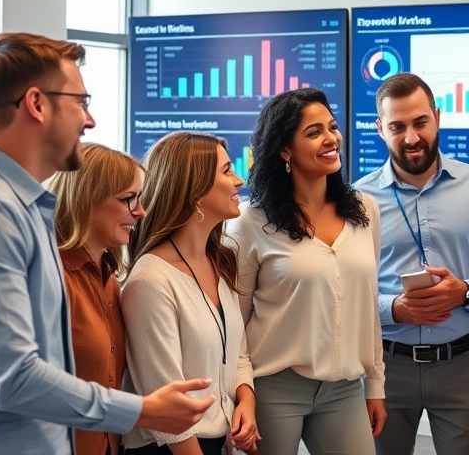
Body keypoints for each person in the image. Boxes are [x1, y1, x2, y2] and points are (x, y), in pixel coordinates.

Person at [0, 33, 214, 455]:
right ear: (37, 104)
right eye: (81, 101)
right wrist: (140, 411)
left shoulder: (20, 207)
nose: (90, 120)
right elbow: (12, 379)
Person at [354, 73, 469, 455]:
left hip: (461, 365)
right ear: (380, 128)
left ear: (437, 116)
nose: (412, 138)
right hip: (383, 368)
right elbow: (342, 292)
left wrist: (465, 290)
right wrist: (393, 308)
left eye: (420, 122)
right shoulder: (357, 199)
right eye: (397, 127)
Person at [229, 88, 386, 455]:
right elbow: (234, 323)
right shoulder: (250, 222)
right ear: (285, 149)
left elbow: (368, 305)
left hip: (344, 387)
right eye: (313, 132)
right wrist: (242, 393)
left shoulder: (365, 210)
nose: (331, 139)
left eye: (331, 127)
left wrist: (375, 384)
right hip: (273, 387)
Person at [122, 131, 259, 455]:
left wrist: (246, 402)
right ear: (195, 193)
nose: (239, 180)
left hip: (215, 443)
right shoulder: (150, 281)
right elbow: (167, 413)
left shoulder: (218, 260)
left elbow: (236, 353)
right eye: (227, 171)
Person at [46, 143, 148, 455]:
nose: (140, 211)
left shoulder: (109, 280)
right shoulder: (51, 278)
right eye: (128, 199)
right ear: (86, 200)